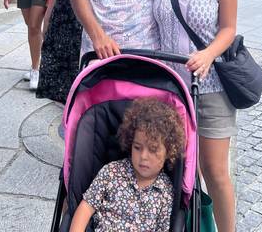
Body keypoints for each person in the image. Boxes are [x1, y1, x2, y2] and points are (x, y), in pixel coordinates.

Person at [153, 0, 237, 232]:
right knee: (182, 168)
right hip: (170, 87)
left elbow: (228, 28)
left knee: (214, 171)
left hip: (211, 85)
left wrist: (208, 54)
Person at [70, 97, 185, 232]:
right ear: (130, 143)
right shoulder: (112, 172)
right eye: (137, 147)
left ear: (168, 151)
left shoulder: (166, 192)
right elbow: (86, 207)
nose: (143, 156)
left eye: (153, 149)